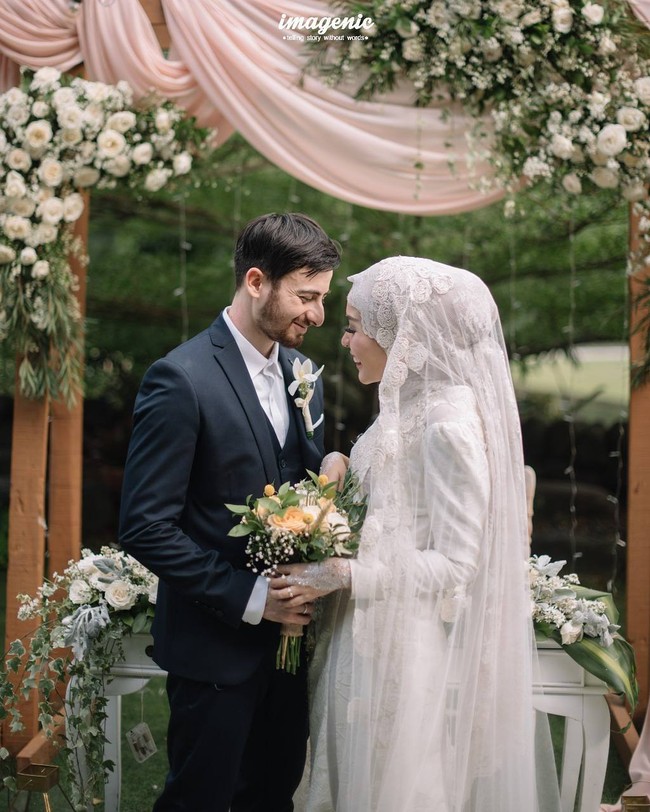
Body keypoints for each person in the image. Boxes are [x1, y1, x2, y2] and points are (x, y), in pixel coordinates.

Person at [274, 256, 548, 811]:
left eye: (354, 326)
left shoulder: (450, 424)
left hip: (401, 649)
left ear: (403, 335)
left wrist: (343, 574)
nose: (345, 340)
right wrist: (338, 471)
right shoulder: (410, 403)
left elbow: (454, 563)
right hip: (360, 634)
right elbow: (396, 508)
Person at [118, 212, 341, 812]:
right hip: (214, 648)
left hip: (291, 647)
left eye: (323, 299)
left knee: (272, 798)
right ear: (255, 281)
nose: (318, 316)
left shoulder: (303, 376)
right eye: (306, 296)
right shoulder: (181, 378)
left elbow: (301, 486)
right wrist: (250, 598)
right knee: (201, 801)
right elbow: (145, 524)